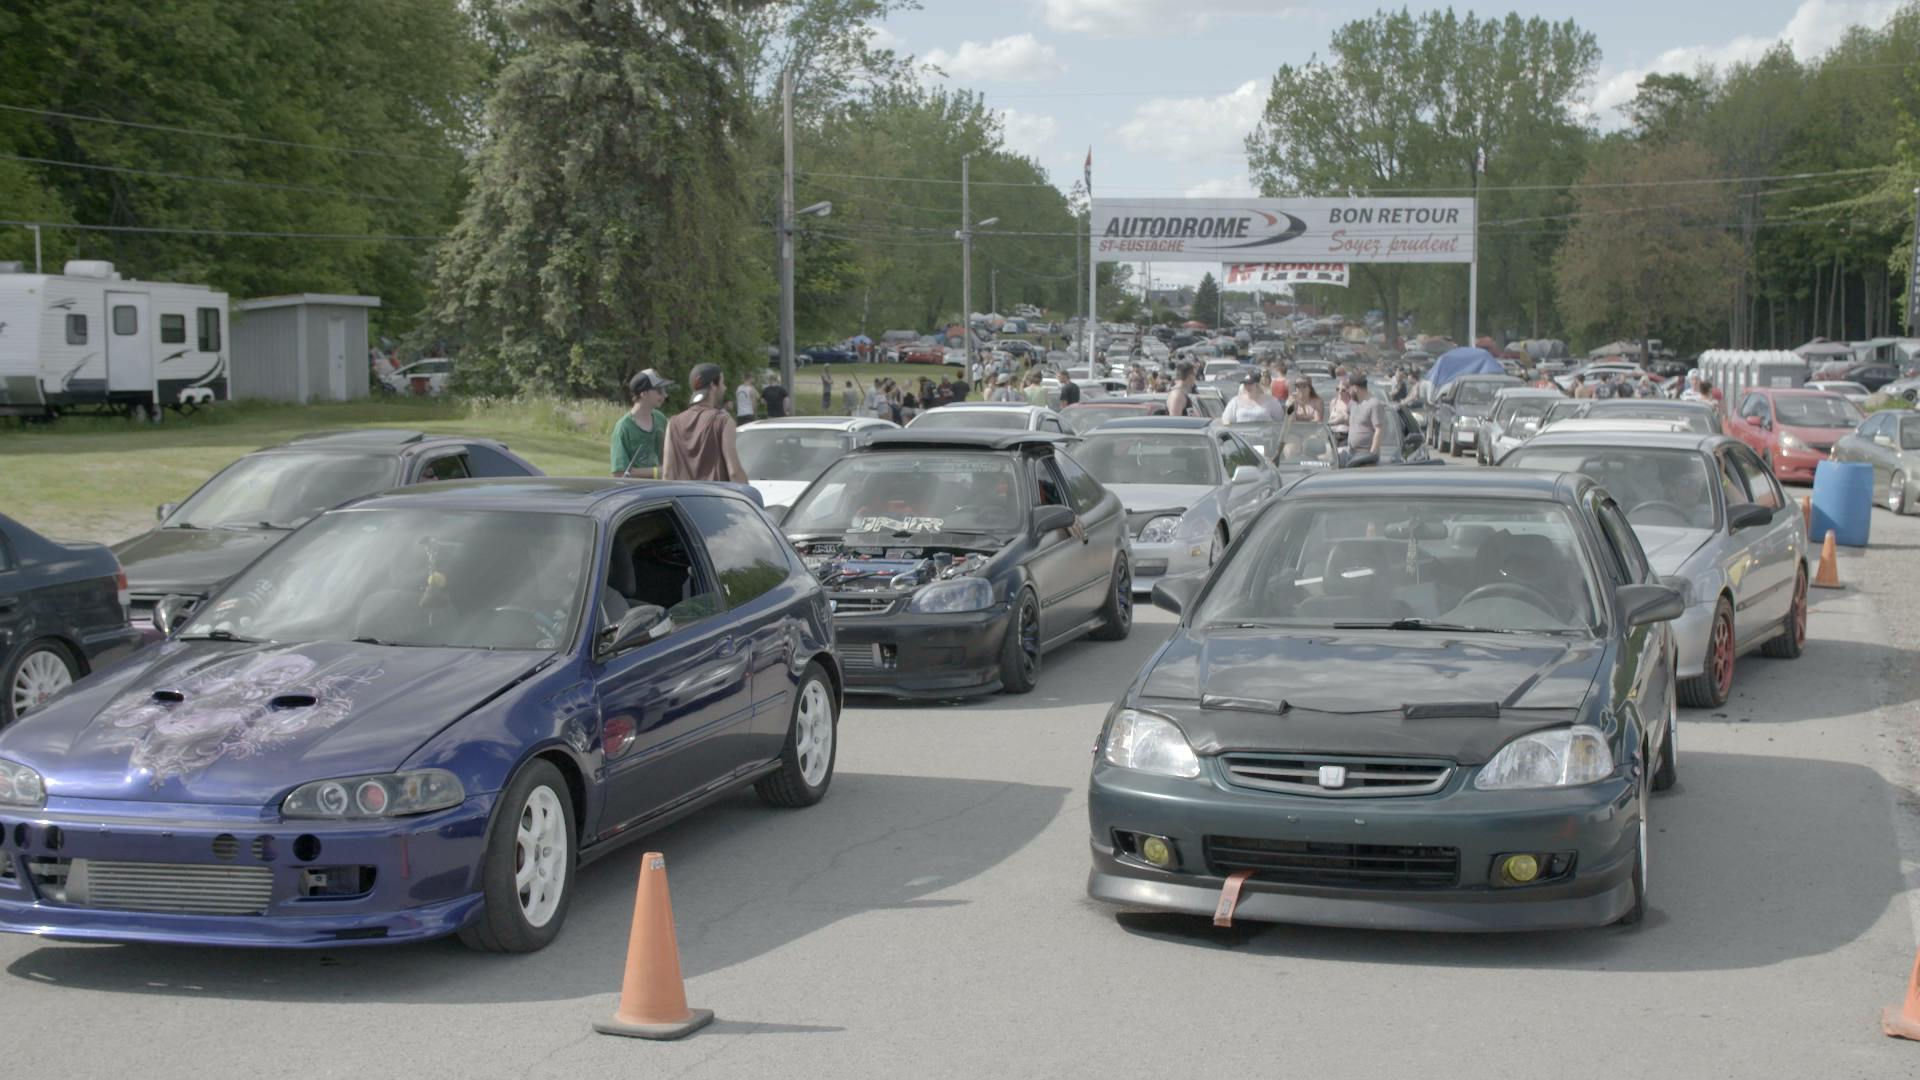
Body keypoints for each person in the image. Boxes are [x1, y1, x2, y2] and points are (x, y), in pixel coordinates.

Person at [662, 363, 748, 483]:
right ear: (713, 385)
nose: (725, 388)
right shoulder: (723, 421)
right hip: (714, 499)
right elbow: (734, 473)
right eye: (722, 383)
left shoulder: (673, 423)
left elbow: (667, 474)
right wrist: (750, 497)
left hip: (683, 500)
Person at [610, 369, 670, 478]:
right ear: (644, 393)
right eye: (659, 390)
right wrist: (657, 472)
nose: (665, 395)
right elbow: (619, 472)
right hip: (635, 492)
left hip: (660, 490)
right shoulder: (623, 427)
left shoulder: (661, 419)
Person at [1346, 372, 1383, 457]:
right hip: (1351, 452)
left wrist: (1371, 454)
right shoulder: (1352, 403)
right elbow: (1349, 419)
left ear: (1355, 388)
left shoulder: (1374, 404)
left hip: (1365, 453)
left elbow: (1378, 430)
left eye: (1349, 388)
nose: (1348, 391)